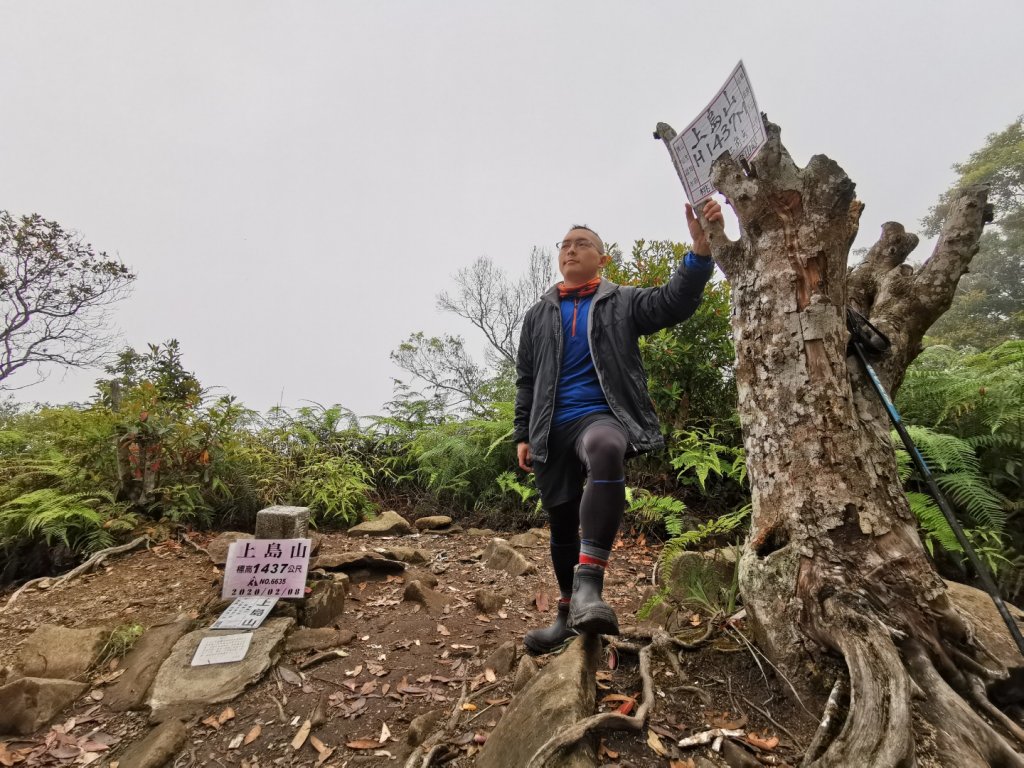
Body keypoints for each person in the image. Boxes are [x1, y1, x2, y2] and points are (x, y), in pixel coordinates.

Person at [513, 199, 724, 654]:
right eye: (565, 245)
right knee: (561, 523)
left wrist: (700, 253)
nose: (571, 250)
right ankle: (567, 615)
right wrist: (523, 434)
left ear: (601, 258)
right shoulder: (537, 315)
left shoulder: (621, 301)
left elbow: (674, 302)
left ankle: (590, 585)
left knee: (607, 447)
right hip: (550, 427)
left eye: (582, 244)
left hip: (601, 415)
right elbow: (527, 379)